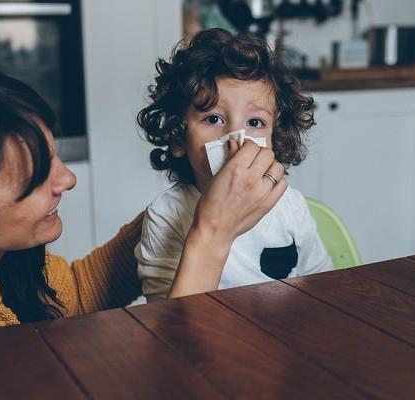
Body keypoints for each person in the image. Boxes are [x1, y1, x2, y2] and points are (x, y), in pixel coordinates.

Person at [0, 62, 286, 399]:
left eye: (55, 155)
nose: (67, 179)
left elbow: (80, 290)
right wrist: (211, 233)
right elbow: (170, 386)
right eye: (37, 177)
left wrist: (189, 207)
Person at [135, 28, 332, 302]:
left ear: (275, 140)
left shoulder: (291, 206)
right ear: (178, 138)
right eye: (213, 119)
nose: (235, 138)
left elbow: (321, 284)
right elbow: (163, 318)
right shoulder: (165, 215)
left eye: (255, 122)